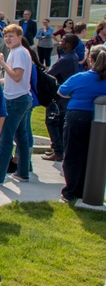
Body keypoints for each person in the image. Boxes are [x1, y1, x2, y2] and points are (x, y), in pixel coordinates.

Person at [0, 24, 33, 184]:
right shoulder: (20, 52)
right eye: (6, 36)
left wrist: (2, 62)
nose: (7, 39)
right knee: (22, 138)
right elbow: (15, 78)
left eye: (11, 36)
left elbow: (17, 76)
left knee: (6, 139)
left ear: (20, 37)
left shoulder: (18, 52)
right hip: (23, 97)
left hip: (16, 100)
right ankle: (23, 172)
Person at [59, 46, 106, 203]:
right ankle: (86, 188)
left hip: (77, 117)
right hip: (98, 121)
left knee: (73, 155)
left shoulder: (81, 77)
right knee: (91, 155)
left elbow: (62, 91)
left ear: (90, 59)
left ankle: (71, 191)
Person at [43, 34, 82, 162]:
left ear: (69, 45)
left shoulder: (64, 60)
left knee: (52, 122)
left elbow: (49, 75)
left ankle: (58, 151)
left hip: (59, 96)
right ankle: (58, 148)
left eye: (63, 41)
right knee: (59, 123)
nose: (60, 42)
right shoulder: (74, 57)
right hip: (67, 97)